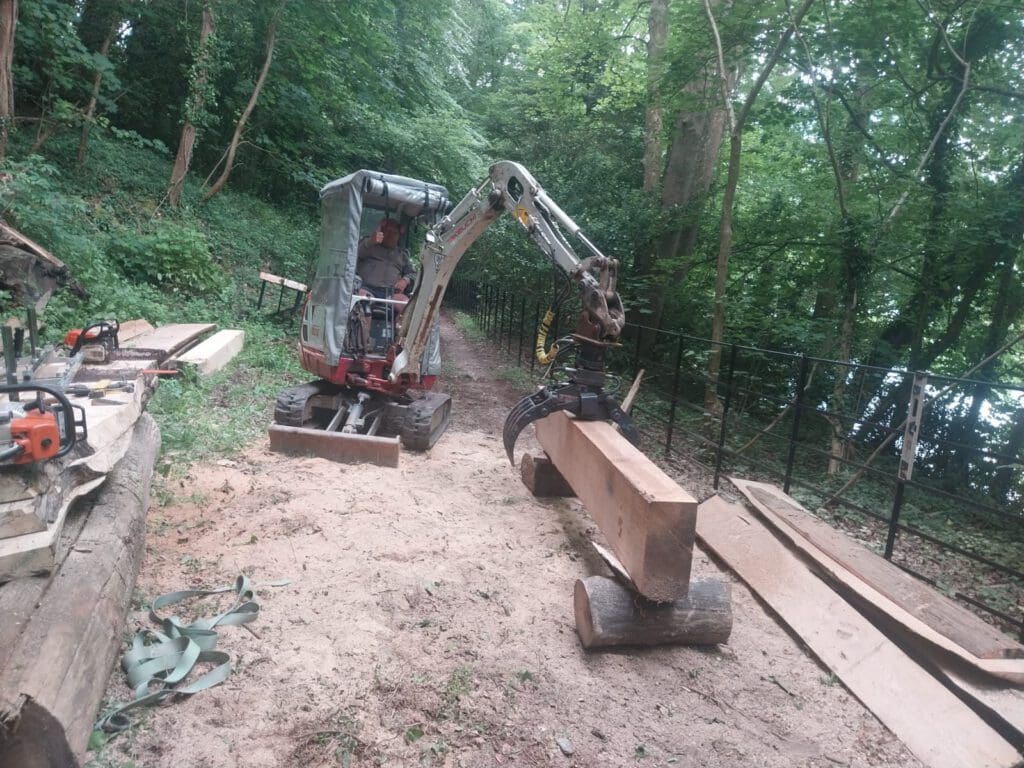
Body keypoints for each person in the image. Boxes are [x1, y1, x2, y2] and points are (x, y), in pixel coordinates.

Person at [356, 217, 414, 299]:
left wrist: (405, 280)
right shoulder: (370, 245)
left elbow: (412, 273)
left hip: (391, 293)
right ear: (381, 231)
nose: (391, 235)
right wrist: (371, 241)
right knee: (362, 299)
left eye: (395, 232)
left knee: (406, 304)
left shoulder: (402, 254)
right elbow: (356, 254)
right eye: (388, 230)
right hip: (367, 288)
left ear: (399, 236)